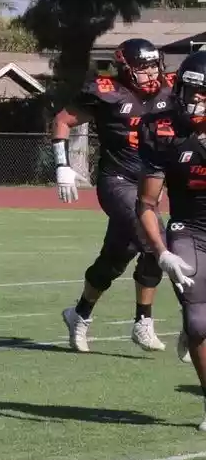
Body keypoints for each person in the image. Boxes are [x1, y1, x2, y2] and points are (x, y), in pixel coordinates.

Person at [53, 38, 172, 353]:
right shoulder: (107, 92)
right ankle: (143, 321)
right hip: (117, 181)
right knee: (156, 240)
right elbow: (62, 120)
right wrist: (62, 165)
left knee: (115, 258)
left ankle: (79, 314)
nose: (151, 73)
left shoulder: (168, 91)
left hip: (149, 185)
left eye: (153, 65)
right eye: (143, 67)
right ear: (126, 69)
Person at [136, 50, 206, 429]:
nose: (194, 99)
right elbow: (147, 204)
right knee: (198, 322)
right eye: (190, 90)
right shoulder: (162, 129)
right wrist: (161, 252)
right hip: (190, 229)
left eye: (203, 92)